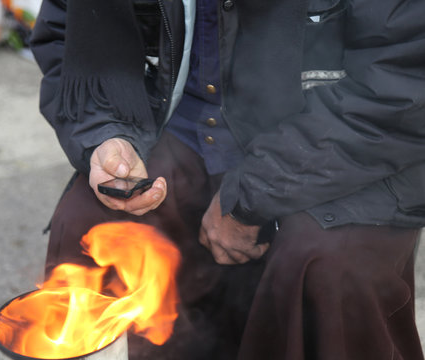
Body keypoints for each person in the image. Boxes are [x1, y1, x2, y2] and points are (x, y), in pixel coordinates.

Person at [29, 0, 425, 358]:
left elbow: (402, 83)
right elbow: (67, 32)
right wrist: (105, 133)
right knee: (88, 222)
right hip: (184, 125)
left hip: (343, 140)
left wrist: (252, 195)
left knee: (325, 266)